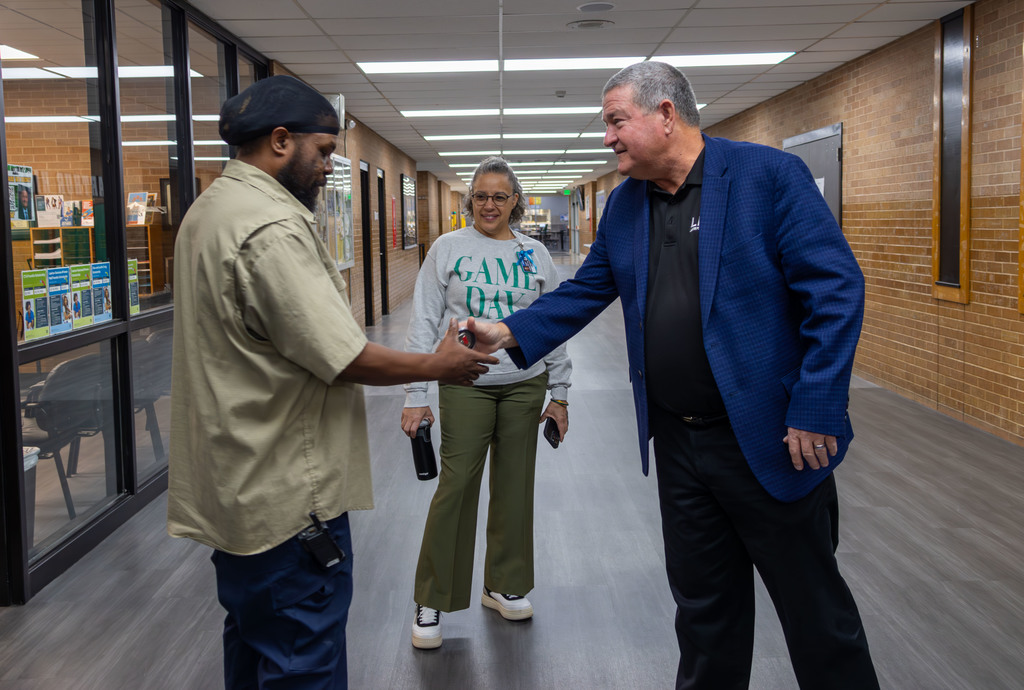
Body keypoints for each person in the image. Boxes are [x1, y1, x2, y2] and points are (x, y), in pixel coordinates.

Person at [465, 61, 879, 689]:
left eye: (615, 121)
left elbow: (837, 290)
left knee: (817, 617)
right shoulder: (628, 203)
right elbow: (589, 288)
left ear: (664, 114)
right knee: (705, 617)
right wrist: (512, 330)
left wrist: (816, 402)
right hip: (680, 444)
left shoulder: (768, 177)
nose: (607, 138)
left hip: (771, 440)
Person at [167, 75, 497, 690]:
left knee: (253, 644)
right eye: (322, 153)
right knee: (301, 657)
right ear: (281, 141)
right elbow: (342, 356)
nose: (327, 169)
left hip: (235, 488)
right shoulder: (270, 228)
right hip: (288, 498)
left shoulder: (209, 210)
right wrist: (437, 366)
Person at [402, 156, 571, 650]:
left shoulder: (534, 253)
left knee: (515, 486)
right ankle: (433, 596)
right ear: (469, 199)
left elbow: (553, 325)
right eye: (480, 196)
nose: (489, 205)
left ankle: (503, 583)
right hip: (465, 382)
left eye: (500, 196)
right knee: (456, 488)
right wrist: (417, 394)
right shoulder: (448, 248)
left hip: (526, 382)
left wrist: (559, 393)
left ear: (515, 200)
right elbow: (424, 322)